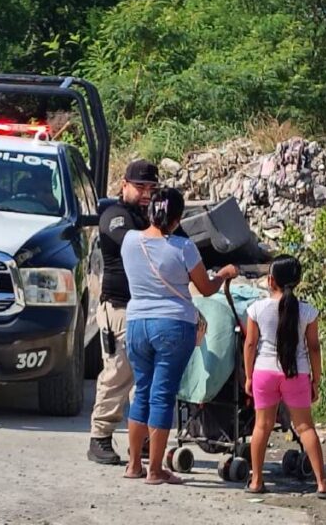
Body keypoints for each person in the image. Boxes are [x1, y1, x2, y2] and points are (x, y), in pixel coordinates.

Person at [120, 186, 238, 484]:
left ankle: (134, 465)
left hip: (136, 324)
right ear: (177, 219)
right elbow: (207, 289)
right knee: (162, 395)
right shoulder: (184, 248)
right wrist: (224, 274)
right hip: (172, 326)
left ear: (150, 212)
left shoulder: (129, 241)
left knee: (142, 393)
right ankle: (155, 470)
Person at [244, 255, 326, 498]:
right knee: (305, 427)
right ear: (297, 281)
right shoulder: (308, 312)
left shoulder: (256, 309)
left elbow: (251, 344)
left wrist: (249, 376)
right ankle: (322, 483)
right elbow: (314, 348)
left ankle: (256, 481)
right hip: (297, 373)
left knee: (261, 426)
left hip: (264, 371)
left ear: (270, 280)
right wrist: (317, 378)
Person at [87, 159, 158, 465]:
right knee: (118, 374)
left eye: (151, 188)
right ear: (124, 185)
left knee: (146, 379)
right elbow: (133, 243)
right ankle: (99, 437)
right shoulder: (115, 216)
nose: (146, 193)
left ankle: (139, 442)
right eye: (140, 186)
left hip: (146, 307)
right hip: (120, 307)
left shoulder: (150, 218)